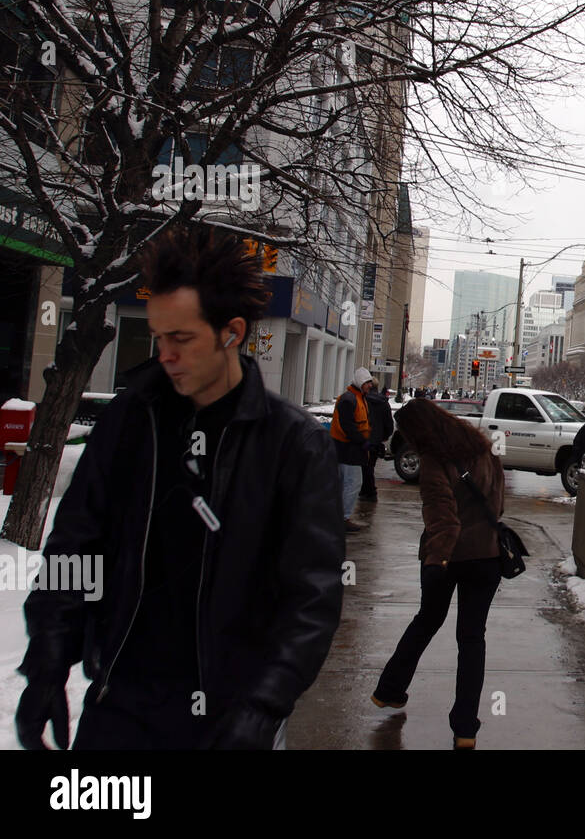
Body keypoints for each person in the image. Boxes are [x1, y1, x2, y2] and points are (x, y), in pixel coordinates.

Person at [16, 225, 344, 750]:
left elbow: (311, 597)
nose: (164, 354)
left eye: (182, 338)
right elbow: (75, 546)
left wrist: (262, 706)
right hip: (120, 703)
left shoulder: (293, 444)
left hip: (229, 714)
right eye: (159, 336)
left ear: (231, 332)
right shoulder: (131, 418)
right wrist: (48, 661)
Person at [371, 399, 502, 749]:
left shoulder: (433, 462)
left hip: (448, 558)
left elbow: (443, 518)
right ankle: (465, 729)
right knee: (472, 640)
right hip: (487, 556)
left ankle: (390, 690)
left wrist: (436, 560)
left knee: (426, 621)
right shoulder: (483, 449)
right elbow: (497, 505)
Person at [332, 368, 374, 531]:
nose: (370, 386)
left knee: (345, 484)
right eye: (367, 383)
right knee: (352, 483)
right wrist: (362, 442)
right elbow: (347, 426)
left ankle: (339, 517)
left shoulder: (357, 398)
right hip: (348, 451)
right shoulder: (350, 399)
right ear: (360, 383)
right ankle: (343, 518)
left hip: (349, 450)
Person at [358, 381, 395, 504]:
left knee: (364, 466)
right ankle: (367, 491)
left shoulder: (362, 400)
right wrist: (384, 436)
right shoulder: (383, 403)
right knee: (370, 466)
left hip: (363, 437)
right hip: (376, 439)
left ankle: (369, 491)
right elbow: (389, 423)